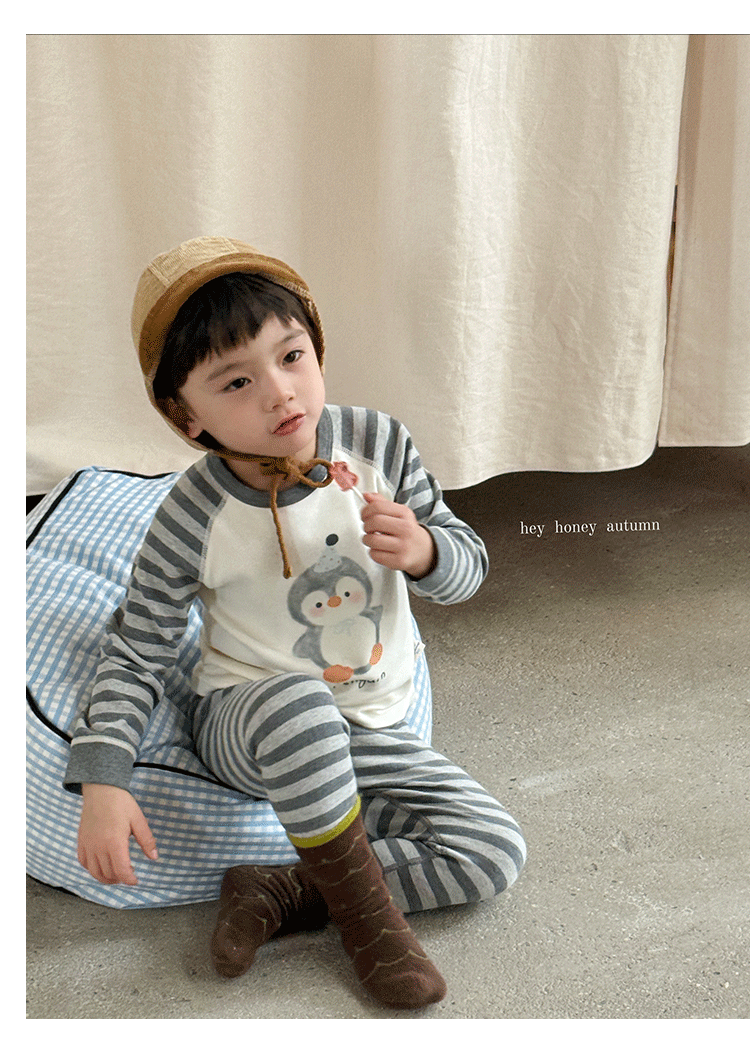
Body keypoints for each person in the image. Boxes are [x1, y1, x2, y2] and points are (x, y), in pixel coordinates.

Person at [65, 236, 526, 1011]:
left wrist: (424, 551)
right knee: (299, 699)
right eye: (237, 381)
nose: (280, 394)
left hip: (372, 729)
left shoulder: (380, 444)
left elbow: (468, 566)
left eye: (292, 356)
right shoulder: (192, 514)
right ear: (186, 416)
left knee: (494, 851)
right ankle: (371, 928)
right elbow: (135, 650)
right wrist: (104, 779)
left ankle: (285, 889)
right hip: (251, 725)